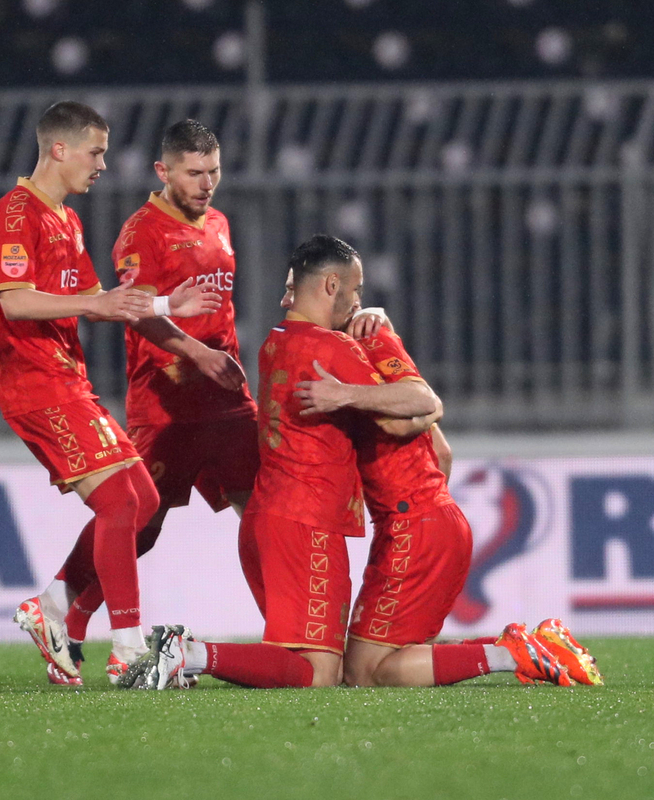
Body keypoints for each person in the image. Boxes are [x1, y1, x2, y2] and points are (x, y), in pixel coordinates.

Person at [132, 234, 442, 690]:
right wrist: (416, 401)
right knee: (318, 676)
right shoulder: (332, 351)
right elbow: (416, 404)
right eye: (356, 292)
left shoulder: (276, 341)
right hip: (307, 524)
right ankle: (189, 654)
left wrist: (375, 319)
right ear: (332, 286)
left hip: (266, 519)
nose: (359, 304)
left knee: (306, 667)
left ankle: (190, 656)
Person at [0, 101, 221, 684]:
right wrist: (93, 303)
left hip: (67, 381)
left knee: (138, 498)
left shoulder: (66, 218)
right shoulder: (17, 216)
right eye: (96, 152)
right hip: (35, 386)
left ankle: (54, 606)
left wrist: (167, 306)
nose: (104, 165)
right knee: (123, 501)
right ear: (58, 149)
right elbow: (13, 299)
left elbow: (106, 302)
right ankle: (129, 647)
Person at [292, 278, 603, 689]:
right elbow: (442, 450)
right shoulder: (374, 341)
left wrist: (344, 397)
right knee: (378, 661)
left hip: (412, 525)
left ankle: (507, 654)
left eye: (291, 290)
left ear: (326, 288)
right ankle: (539, 644)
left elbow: (419, 406)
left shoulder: (359, 348)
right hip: (432, 518)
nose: (285, 301)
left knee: (363, 674)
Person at [48, 119, 257, 685]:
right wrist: (196, 351)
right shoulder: (142, 231)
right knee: (141, 522)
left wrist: (219, 361)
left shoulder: (219, 222)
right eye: (194, 173)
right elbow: (134, 309)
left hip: (229, 403)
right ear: (164, 172)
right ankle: (60, 609)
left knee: (262, 511)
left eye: (213, 171)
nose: (207, 183)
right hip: (166, 405)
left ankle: (288, 628)